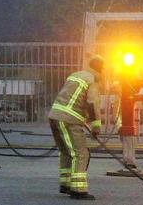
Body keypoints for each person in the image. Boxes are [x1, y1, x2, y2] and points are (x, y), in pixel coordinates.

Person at [48, 55, 105, 200]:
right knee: (81, 153)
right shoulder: (92, 80)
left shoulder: (76, 75)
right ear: (101, 69)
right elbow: (92, 103)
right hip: (69, 120)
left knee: (66, 151)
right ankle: (78, 189)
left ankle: (66, 184)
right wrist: (96, 126)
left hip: (55, 115)